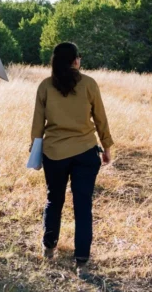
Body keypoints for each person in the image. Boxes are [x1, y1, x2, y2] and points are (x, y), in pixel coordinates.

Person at [30, 42, 113, 274]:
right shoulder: (89, 84)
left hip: (54, 153)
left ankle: (48, 247)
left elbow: (37, 124)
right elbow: (100, 118)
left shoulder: (45, 86)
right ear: (76, 61)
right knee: (83, 206)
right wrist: (106, 146)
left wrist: (34, 149)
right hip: (86, 152)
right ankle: (82, 261)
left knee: (53, 200)